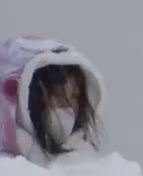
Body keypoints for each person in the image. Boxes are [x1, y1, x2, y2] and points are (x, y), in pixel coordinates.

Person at [0, 35, 105, 167]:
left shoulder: (86, 163)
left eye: (74, 96)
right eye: (57, 96)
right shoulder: (7, 168)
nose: (67, 106)